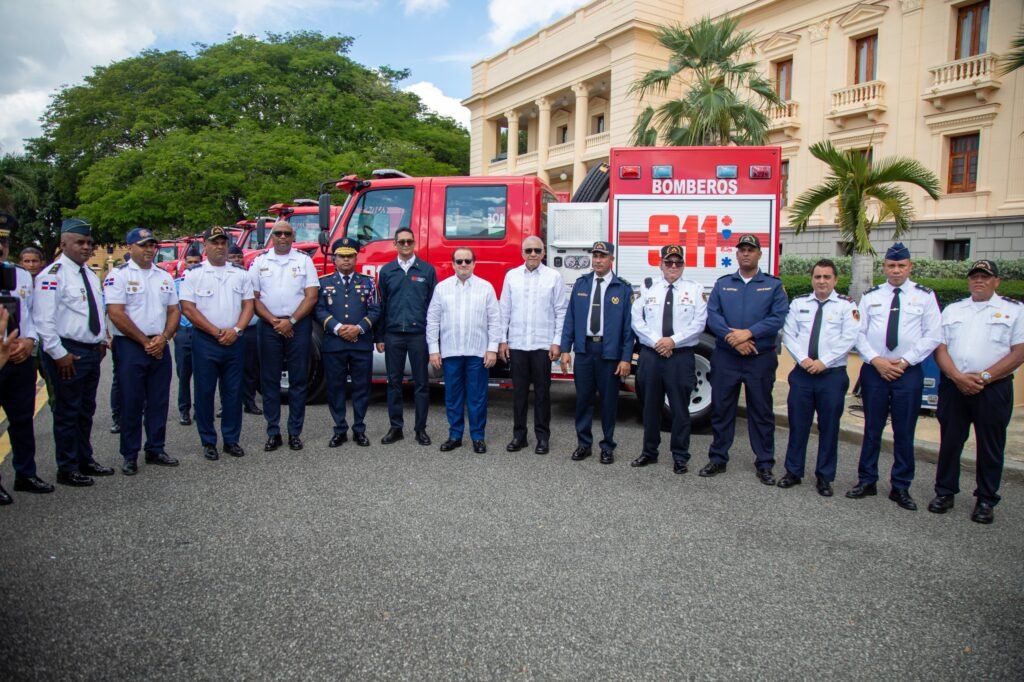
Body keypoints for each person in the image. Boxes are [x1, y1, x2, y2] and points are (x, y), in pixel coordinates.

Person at [928, 260, 1024, 524]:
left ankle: (985, 499)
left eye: (985, 276)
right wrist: (957, 376)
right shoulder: (953, 309)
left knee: (990, 445)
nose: (978, 281)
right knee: (949, 442)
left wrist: (984, 377)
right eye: (974, 277)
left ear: (996, 281)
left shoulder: (1014, 310)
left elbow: (1019, 351)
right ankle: (945, 492)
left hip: (992, 388)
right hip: (954, 386)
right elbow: (940, 348)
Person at [849, 242, 941, 510]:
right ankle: (867, 480)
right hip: (875, 371)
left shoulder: (924, 296)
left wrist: (904, 361)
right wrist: (877, 361)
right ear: (884, 267)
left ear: (910, 267)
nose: (896, 270)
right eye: (891, 265)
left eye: (901, 266)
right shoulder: (871, 296)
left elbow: (933, 335)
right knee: (872, 429)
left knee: (904, 431)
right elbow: (858, 332)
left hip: (907, 372)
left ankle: (901, 486)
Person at [33, 218, 115, 486]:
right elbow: (44, 322)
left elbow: (96, 312)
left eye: (89, 243)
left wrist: (102, 340)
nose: (86, 247)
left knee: (85, 409)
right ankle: (67, 467)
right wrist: (58, 354)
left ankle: (84, 459)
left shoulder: (89, 274)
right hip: (68, 353)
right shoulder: (52, 276)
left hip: (91, 352)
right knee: (67, 411)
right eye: (80, 242)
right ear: (63, 243)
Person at [701, 234, 788, 484]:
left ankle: (764, 463)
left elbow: (778, 317)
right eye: (742, 250)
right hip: (727, 357)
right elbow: (713, 315)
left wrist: (748, 334)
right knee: (721, 409)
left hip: (759, 358)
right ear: (736, 255)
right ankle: (718, 458)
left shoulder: (772, 285)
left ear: (759, 254)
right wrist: (733, 338)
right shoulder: (723, 283)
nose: (746, 253)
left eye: (751, 250)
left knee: (761, 412)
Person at [778, 259, 860, 497]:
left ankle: (824, 477)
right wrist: (804, 359)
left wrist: (824, 362)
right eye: (817, 277)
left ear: (835, 280)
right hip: (803, 373)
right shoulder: (799, 303)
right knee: (798, 425)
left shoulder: (847, 306)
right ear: (812, 279)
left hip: (831, 375)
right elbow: (789, 334)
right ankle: (793, 471)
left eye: (826, 277)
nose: (821, 281)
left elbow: (849, 338)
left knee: (829, 427)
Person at [103, 228, 181, 476]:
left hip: (159, 342)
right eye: (143, 245)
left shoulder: (163, 276)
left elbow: (174, 311)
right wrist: (144, 341)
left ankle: (156, 448)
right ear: (130, 248)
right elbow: (115, 312)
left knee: (158, 400)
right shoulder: (118, 276)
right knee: (132, 401)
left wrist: (164, 338)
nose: (149, 250)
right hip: (131, 345)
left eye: (152, 246)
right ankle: (129, 453)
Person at [178, 225, 255, 461]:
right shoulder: (194, 274)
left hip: (235, 340)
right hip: (206, 340)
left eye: (223, 242)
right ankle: (208, 441)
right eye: (215, 243)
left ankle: (231, 439)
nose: (220, 247)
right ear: (205, 246)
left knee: (233, 393)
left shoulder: (240, 273)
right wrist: (215, 331)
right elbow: (188, 308)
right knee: (205, 392)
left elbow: (249, 305)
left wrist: (237, 330)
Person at [629, 244, 708, 474]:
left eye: (678, 262)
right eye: (669, 262)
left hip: (680, 356)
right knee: (650, 407)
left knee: (680, 409)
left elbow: (699, 324)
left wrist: (672, 341)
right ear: (660, 264)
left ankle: (680, 456)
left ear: (683, 265)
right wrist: (658, 342)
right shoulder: (648, 288)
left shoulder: (694, 289)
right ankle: (649, 452)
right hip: (652, 356)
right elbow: (637, 319)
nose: (673, 266)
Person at [559, 241, 634, 464]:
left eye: (602, 256)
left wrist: (626, 357)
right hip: (584, 351)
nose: (598, 260)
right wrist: (565, 349)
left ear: (612, 259)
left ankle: (607, 446)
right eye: (595, 256)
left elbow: (629, 328)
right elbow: (570, 319)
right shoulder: (581, 284)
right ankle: (584, 444)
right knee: (583, 400)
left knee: (609, 402)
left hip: (609, 352)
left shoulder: (622, 288)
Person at [249, 220, 319, 451]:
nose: (282, 237)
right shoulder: (259, 262)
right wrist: (273, 321)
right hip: (269, 325)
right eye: (277, 233)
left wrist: (291, 321)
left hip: (297, 325)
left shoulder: (304, 260)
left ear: (293, 236)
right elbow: (253, 298)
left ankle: (294, 433)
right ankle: (273, 432)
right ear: (271, 236)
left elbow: (311, 296)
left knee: (299, 380)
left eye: (286, 234)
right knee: (269, 380)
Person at [0, 212, 54, 503]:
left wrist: (29, 340)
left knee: (22, 419)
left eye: (4, 242)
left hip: (19, 358)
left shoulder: (20, 275)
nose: (0, 248)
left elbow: (31, 314)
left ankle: (26, 473)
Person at [497, 236, 567, 455]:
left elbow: (561, 312)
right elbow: (504, 310)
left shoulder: (553, 277)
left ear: (544, 252)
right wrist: (502, 340)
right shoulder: (511, 276)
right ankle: (519, 436)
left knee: (542, 393)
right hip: (517, 344)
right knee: (518, 394)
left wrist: (557, 342)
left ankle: (542, 438)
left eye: (537, 250)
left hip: (542, 345)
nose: (533, 254)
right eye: (529, 250)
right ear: (522, 252)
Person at [427, 248, 501, 453]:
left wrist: (492, 349)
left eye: (468, 261)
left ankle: (478, 437)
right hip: (451, 353)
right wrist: (434, 350)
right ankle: (455, 435)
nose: (463, 264)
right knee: (453, 397)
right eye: (459, 261)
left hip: (477, 353)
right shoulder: (442, 288)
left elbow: (495, 321)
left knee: (477, 397)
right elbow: (432, 320)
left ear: (474, 263)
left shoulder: (485, 287)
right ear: (453, 264)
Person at [314, 238, 380, 447]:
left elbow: (376, 309)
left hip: (360, 343)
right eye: (342, 256)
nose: (346, 260)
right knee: (335, 388)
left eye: (349, 256)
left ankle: (359, 429)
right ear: (335, 258)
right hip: (334, 343)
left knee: (361, 388)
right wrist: (337, 327)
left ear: (355, 258)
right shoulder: (323, 282)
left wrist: (358, 328)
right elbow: (318, 309)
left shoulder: (368, 282)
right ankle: (339, 429)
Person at [375, 228, 438, 446]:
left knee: (421, 384)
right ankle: (396, 428)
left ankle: (420, 430)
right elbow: (381, 305)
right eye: (401, 241)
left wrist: (433, 339)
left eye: (409, 241)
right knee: (393, 382)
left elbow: (433, 307)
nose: (405, 245)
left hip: (418, 335)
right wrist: (380, 336)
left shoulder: (427, 271)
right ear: (395, 244)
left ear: (414, 243)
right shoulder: (387, 271)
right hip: (393, 335)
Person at [227, 243, 261, 416]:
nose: (237, 260)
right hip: (229, 330)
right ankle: (225, 404)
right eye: (232, 257)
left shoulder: (250, 276)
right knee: (227, 370)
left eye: (239, 257)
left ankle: (250, 401)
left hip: (249, 329)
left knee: (250, 368)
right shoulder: (225, 278)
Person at [174, 243, 202, 425]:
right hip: (183, 333)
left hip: (201, 332)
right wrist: (174, 332)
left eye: (196, 262)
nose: (193, 265)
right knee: (184, 375)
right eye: (190, 262)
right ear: (185, 263)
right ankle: (184, 409)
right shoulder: (175, 284)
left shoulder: (206, 281)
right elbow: (170, 310)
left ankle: (200, 409)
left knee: (202, 375)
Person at [108, 252, 131, 435]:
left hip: (155, 341)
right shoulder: (117, 276)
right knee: (122, 383)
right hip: (126, 340)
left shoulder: (159, 276)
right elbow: (106, 311)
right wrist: (105, 336)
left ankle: (155, 447)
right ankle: (118, 418)